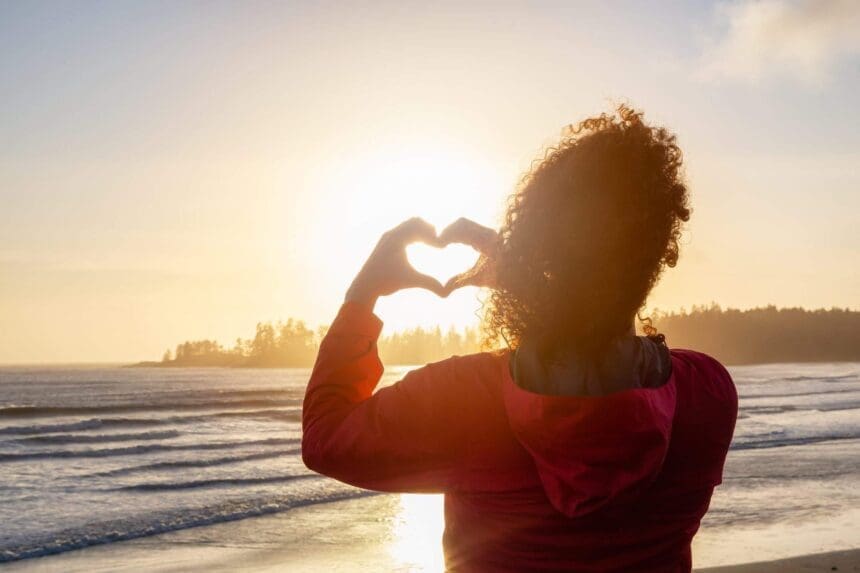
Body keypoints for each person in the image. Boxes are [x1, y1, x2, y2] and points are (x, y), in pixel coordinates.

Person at [302, 106, 738, 572]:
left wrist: (363, 294)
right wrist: (537, 280)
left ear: (538, 238)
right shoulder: (707, 395)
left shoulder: (464, 400)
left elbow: (326, 438)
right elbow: (597, 320)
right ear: (658, 249)